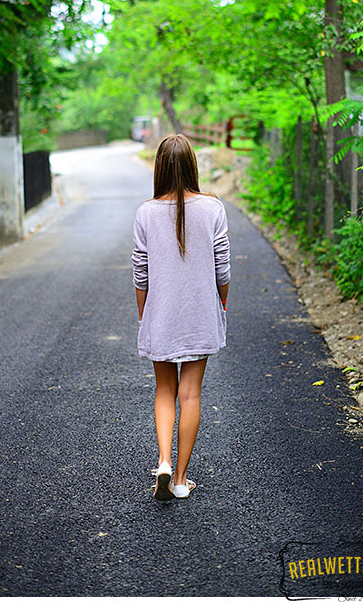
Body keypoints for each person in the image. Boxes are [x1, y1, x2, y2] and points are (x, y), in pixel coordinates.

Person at [131, 133, 231, 501]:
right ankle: (180, 480)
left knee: (164, 390)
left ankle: (162, 462)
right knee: (190, 394)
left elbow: (140, 272)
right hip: (200, 312)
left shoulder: (146, 212)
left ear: (158, 167)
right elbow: (223, 269)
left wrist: (145, 314)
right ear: (192, 165)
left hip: (161, 313)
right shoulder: (213, 208)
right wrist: (221, 304)